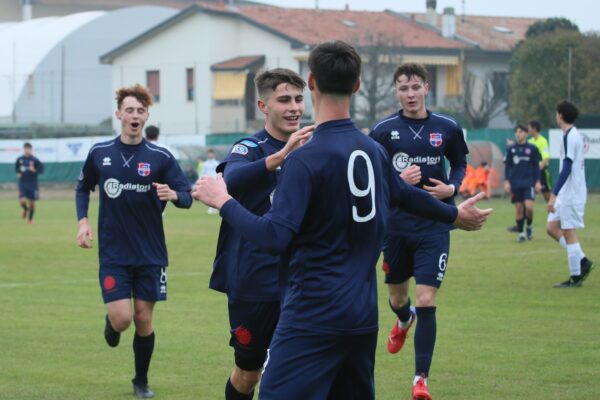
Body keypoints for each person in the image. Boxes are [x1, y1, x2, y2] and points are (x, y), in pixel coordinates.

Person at [193, 40, 492, 400]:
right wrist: (454, 214)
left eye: (297, 97)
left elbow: (274, 235)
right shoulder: (372, 149)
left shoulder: (306, 157)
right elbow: (405, 195)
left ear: (312, 84)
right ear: (358, 86)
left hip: (311, 314)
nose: (292, 107)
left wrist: (223, 200)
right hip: (361, 317)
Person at [75, 84, 192, 398]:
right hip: (114, 252)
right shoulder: (100, 153)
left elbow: (187, 195)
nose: (135, 116)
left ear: (146, 115)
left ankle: (141, 381)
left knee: (143, 317)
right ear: (119, 114)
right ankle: (112, 325)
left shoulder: (160, 157)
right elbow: (82, 188)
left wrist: (174, 195)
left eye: (141, 111)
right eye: (130, 110)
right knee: (123, 318)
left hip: (151, 254)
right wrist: (83, 221)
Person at [210, 68, 313, 400]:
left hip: (302, 279)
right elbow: (230, 182)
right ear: (263, 106)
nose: (294, 107)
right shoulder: (249, 147)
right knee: (248, 372)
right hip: (253, 281)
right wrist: (280, 157)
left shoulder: (313, 146)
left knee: (296, 370)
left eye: (299, 99)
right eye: (284, 100)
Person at [369, 62, 469, 400]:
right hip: (395, 227)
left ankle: (420, 380)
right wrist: (398, 182)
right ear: (396, 91)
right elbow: (371, 179)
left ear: (426, 87)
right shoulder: (383, 131)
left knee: (428, 298)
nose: (410, 94)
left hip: (434, 225)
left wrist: (451, 189)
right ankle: (403, 319)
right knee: (398, 298)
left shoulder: (448, 127)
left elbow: (459, 164)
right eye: (403, 88)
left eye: (415, 87)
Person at [546, 101, 594, 288]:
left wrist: (553, 194)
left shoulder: (569, 137)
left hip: (571, 194)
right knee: (551, 227)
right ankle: (582, 260)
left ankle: (575, 277)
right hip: (568, 193)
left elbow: (566, 168)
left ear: (560, 115)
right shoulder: (571, 135)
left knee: (568, 231)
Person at [504, 124, 542, 242]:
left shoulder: (533, 149)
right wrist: (506, 181)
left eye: (520, 132)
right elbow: (507, 166)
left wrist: (538, 181)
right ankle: (521, 234)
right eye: (517, 132)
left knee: (529, 208)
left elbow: (536, 167)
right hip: (515, 183)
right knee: (519, 208)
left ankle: (529, 226)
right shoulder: (511, 149)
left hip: (529, 182)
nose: (518, 134)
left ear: (526, 133)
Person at [15, 142, 44, 224]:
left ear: (31, 150)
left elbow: (41, 170)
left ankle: (30, 220)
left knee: (32, 203)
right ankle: (25, 209)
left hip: (33, 184)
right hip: (23, 183)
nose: (27, 150)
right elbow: (17, 169)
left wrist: (34, 170)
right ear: (24, 149)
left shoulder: (35, 160)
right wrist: (18, 173)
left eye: (29, 149)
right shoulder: (19, 159)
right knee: (22, 201)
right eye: (26, 149)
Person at [528, 120, 552, 202]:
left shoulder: (543, 141)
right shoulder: (529, 141)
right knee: (528, 198)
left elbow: (545, 159)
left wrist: (537, 171)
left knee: (548, 198)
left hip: (542, 172)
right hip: (531, 173)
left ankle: (554, 214)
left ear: (534, 129)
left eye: (529, 128)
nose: (528, 130)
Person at [201, 149, 221, 214]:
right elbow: (203, 173)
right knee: (209, 195)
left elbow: (219, 172)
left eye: (211, 153)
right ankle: (211, 208)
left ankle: (215, 208)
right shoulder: (205, 163)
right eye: (209, 153)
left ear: (214, 154)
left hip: (215, 181)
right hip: (207, 181)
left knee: (215, 195)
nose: (210, 155)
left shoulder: (217, 163)